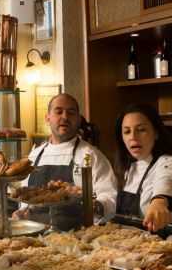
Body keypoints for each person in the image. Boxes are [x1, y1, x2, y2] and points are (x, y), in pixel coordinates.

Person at [15, 93, 117, 231]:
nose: (65, 117)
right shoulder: (35, 155)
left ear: (78, 119)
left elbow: (109, 195)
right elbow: (26, 197)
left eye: (71, 112)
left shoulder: (89, 155)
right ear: (47, 117)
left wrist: (96, 206)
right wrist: (22, 212)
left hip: (76, 238)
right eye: (58, 111)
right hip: (36, 237)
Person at [115, 103, 172, 231]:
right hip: (132, 245)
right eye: (127, 131)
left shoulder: (171, 163)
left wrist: (159, 202)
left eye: (141, 130)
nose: (133, 137)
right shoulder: (127, 169)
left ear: (156, 133)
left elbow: (167, 180)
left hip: (168, 245)